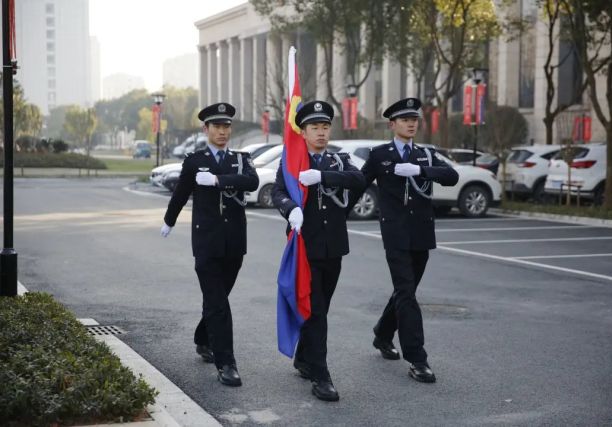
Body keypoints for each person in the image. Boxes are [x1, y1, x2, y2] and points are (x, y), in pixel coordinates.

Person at [349, 97, 459, 383]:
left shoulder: (424, 154)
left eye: (414, 119)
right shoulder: (379, 155)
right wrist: (336, 217)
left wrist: (421, 170)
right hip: (395, 234)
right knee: (407, 293)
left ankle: (382, 334)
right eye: (405, 119)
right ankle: (418, 359)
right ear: (392, 124)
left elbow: (451, 176)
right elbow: (358, 185)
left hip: (422, 233)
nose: (411, 123)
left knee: (404, 291)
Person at [272, 100, 366, 402]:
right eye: (315, 127)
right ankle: (321, 375)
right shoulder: (292, 161)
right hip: (305, 246)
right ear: (304, 130)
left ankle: (304, 357)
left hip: (334, 246)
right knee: (317, 310)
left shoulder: (339, 161)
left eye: (325, 127)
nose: (321, 132)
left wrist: (323, 177)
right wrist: (290, 211)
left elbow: (359, 180)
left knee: (321, 305)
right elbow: (278, 192)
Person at [160, 102, 258, 387]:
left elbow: (251, 182)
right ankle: (226, 362)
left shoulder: (241, 159)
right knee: (217, 303)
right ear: (205, 129)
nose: (222, 131)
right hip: (206, 243)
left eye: (226, 126)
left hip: (234, 243)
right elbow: (180, 193)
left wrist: (217, 179)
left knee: (219, 298)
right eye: (216, 126)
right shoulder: (194, 160)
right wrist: (169, 220)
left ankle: (204, 338)